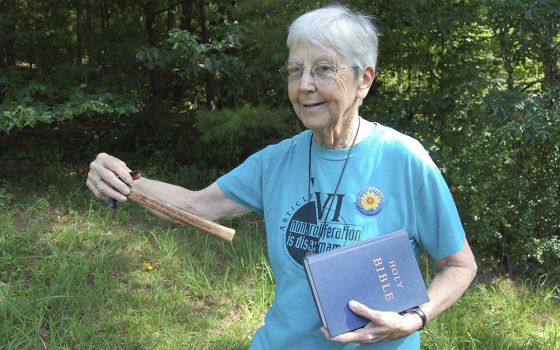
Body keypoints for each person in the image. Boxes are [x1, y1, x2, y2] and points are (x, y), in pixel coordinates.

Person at [86, 4, 477, 349]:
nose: (305, 85)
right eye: (295, 70)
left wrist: (413, 320)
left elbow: (459, 266)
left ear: (364, 80)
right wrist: (125, 181)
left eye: (323, 69)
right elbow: (194, 205)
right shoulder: (274, 162)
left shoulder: (404, 159)